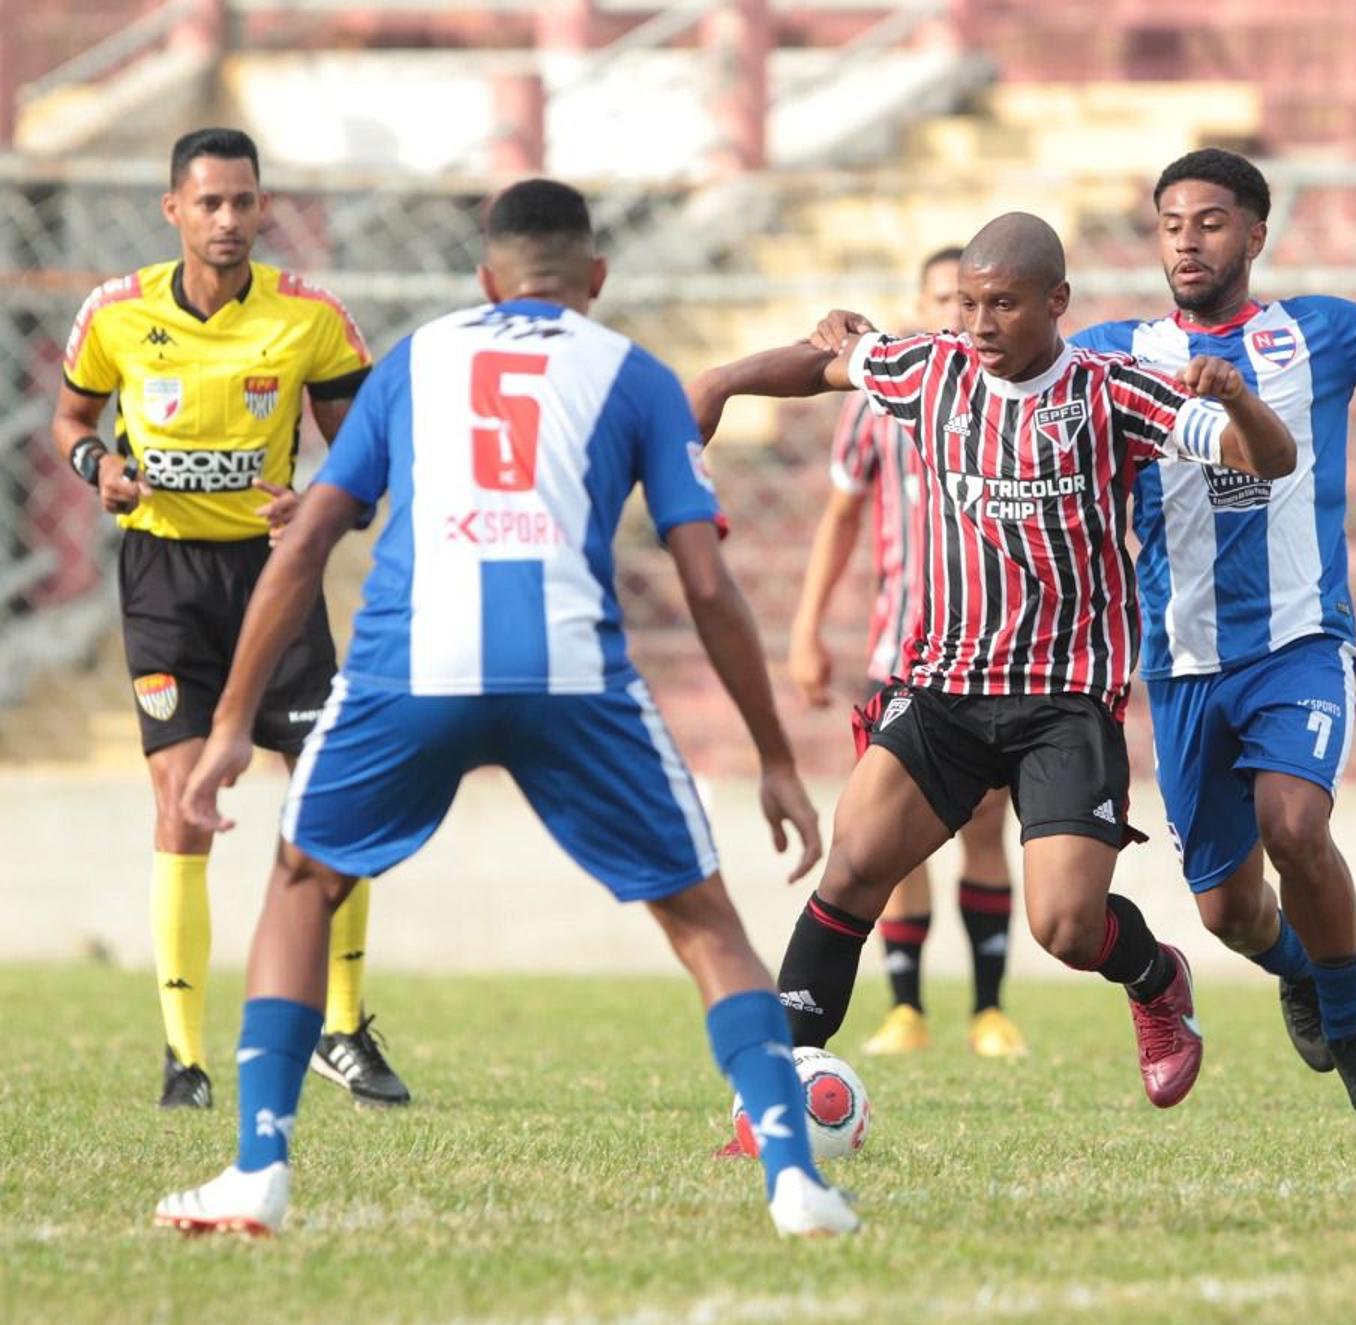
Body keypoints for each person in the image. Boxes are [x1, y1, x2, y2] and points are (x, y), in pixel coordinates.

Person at [152, 178, 858, 1238]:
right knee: (705, 921)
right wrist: (774, 759)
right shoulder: (635, 374)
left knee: (302, 885)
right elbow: (707, 585)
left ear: (487, 280)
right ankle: (796, 1182)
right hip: (572, 677)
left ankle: (259, 1169)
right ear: (597, 278)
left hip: (411, 668)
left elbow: (302, 543)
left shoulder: (415, 359)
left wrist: (226, 727)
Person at [693, 211, 1296, 1110]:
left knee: (1062, 923)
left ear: (1055, 302)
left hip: (1063, 700)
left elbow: (1268, 459)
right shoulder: (928, 370)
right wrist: (721, 382)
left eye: (1003, 305)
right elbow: (823, 365)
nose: (978, 324)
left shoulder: (1115, 393)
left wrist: (1239, 400)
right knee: (854, 872)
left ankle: (1156, 980)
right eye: (969, 304)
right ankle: (770, 1106)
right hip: (939, 690)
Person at [1072, 147, 1356, 1126]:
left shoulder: (1317, 332)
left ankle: (1351, 1029)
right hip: (1180, 663)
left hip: (1299, 639)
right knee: (1229, 913)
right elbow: (993, 359)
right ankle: (1299, 970)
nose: (1188, 239)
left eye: (1212, 221)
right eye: (1172, 223)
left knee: (1296, 826)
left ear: (1256, 235)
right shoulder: (1112, 350)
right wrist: (856, 351)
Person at [49, 126, 409, 1110]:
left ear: (263, 209)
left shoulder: (310, 318)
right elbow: (73, 420)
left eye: (244, 202)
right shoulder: (115, 316)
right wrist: (100, 470)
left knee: (332, 792)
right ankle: (184, 1058)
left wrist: (328, 500)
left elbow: (367, 451)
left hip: (274, 576)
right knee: (180, 804)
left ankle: (340, 1027)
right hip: (164, 578)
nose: (229, 220)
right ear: (173, 211)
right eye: (209, 203)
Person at [787, 246, 1027, 1059]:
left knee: (987, 824)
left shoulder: (1014, 397)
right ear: (921, 304)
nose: (955, 317)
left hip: (993, 652)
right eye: (943, 300)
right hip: (903, 647)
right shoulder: (881, 403)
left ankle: (989, 1010)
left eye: (968, 303)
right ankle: (906, 1008)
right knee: (897, 830)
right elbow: (842, 518)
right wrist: (806, 626)